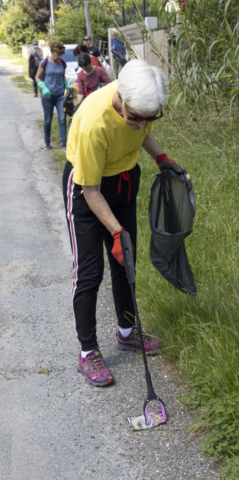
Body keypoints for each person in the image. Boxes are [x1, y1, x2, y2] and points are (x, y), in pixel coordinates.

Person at [63, 59, 183, 387]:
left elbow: (142, 135)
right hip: (89, 191)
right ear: (122, 100)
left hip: (124, 182)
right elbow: (90, 190)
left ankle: (127, 332)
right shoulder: (93, 122)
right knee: (90, 271)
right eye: (136, 118)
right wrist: (116, 231)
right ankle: (88, 352)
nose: (140, 125)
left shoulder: (141, 101)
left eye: (148, 119)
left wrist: (162, 159)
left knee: (125, 261)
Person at [35, 41, 72, 151]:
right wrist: (43, 87)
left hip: (60, 95)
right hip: (48, 96)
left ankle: (63, 143)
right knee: (48, 120)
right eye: (57, 55)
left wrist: (66, 84)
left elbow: (62, 77)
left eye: (61, 55)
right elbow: (37, 77)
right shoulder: (44, 62)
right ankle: (47, 142)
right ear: (52, 52)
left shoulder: (62, 63)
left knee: (62, 119)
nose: (59, 57)